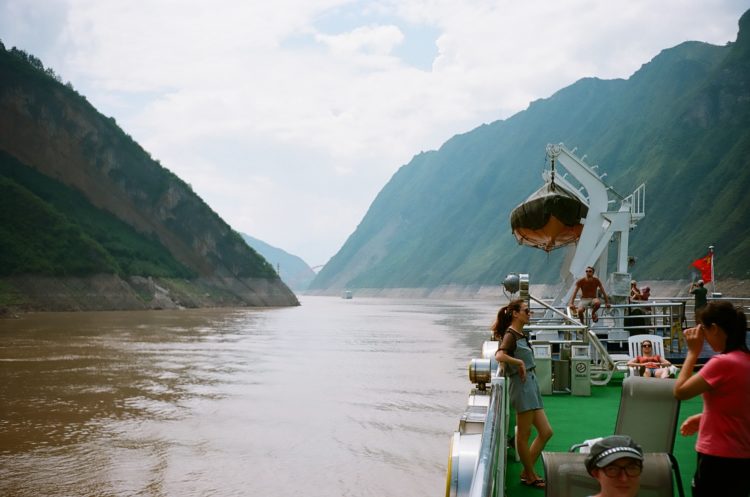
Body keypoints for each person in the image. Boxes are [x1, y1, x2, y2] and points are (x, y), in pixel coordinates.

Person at [673, 301, 750, 497]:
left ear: (714, 329)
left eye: (704, 331)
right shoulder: (744, 360)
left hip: (717, 456)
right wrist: (705, 416)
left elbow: (680, 391)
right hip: (742, 456)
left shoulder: (722, 363)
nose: (704, 338)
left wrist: (692, 353)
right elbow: (740, 404)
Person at [493, 299, 553, 489]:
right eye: (527, 311)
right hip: (522, 386)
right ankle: (531, 476)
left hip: (531, 384)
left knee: (546, 432)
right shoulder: (510, 334)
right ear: (516, 314)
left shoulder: (520, 334)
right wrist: (518, 363)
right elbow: (500, 355)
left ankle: (527, 471)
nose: (530, 313)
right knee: (523, 435)